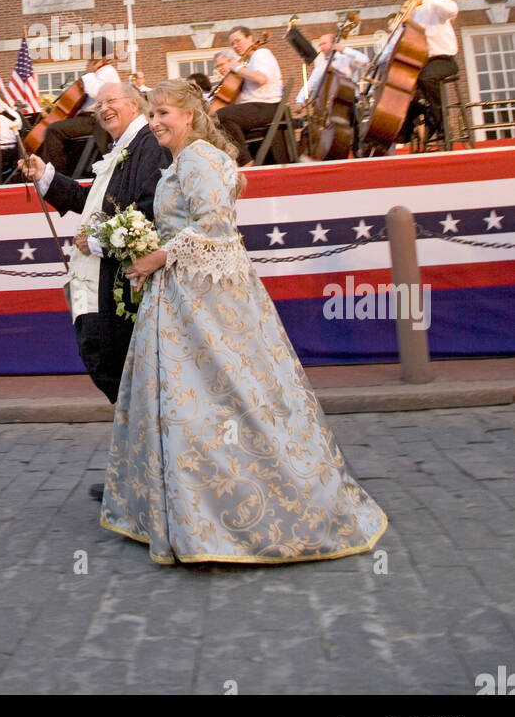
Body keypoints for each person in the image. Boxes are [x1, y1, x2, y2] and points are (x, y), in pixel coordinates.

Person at [101, 80, 388, 565]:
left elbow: (214, 225)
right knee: (191, 400)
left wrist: (156, 258)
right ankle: (190, 513)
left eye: (164, 112)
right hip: (180, 297)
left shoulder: (199, 159)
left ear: (190, 115)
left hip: (206, 302)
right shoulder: (184, 162)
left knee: (224, 395)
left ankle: (229, 517)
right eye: (151, 114)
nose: (155, 122)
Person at [20, 82, 170, 426]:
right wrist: (45, 175)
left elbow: (148, 211)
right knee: (106, 363)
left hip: (117, 285)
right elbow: (91, 202)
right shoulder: (123, 148)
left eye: (111, 101)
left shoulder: (147, 145)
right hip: (96, 281)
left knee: (113, 364)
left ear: (134, 104)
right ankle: (139, 452)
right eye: (98, 105)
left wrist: (99, 241)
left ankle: (144, 453)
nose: (103, 109)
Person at [41, 36, 120, 175]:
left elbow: (96, 93)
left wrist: (89, 74)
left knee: (53, 130)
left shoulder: (108, 71)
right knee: (56, 129)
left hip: (95, 120)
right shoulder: (99, 71)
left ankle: (56, 175)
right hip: (87, 118)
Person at [397, 0, 460, 143]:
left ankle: (442, 125)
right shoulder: (415, 12)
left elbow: (452, 10)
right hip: (423, 62)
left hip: (444, 60)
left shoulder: (436, 2)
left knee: (427, 78)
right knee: (405, 86)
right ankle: (412, 126)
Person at [213, 27, 288, 165]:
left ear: (250, 38)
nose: (236, 46)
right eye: (233, 44)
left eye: (238, 41)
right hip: (257, 107)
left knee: (222, 115)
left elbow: (261, 78)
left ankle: (245, 161)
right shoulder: (249, 62)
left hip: (268, 107)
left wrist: (236, 68)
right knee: (219, 118)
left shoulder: (261, 54)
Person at [295, 32, 369, 108]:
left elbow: (365, 60)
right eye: (320, 45)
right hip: (332, 106)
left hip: (351, 101)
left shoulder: (346, 59)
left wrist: (344, 50)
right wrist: (300, 100)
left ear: (334, 44)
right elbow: (310, 84)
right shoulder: (321, 67)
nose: (321, 47)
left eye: (324, 44)